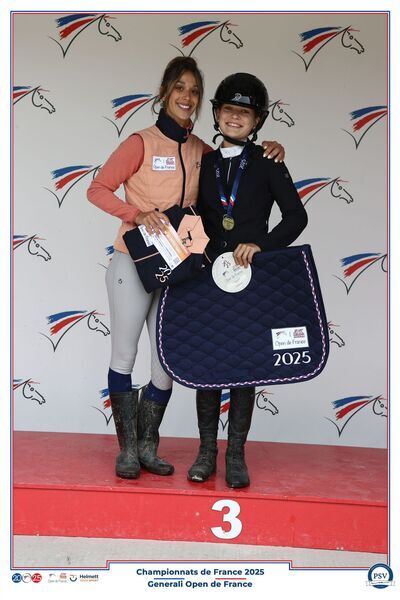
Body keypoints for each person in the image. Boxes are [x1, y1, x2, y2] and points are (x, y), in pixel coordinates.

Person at [87, 56, 285, 480]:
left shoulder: (203, 152)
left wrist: (271, 149)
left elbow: (237, 165)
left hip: (180, 268)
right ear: (164, 92)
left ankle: (148, 446)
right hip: (134, 262)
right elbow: (97, 188)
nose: (186, 96)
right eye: (179, 87)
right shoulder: (139, 142)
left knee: (167, 363)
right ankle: (127, 451)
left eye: (194, 90)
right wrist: (137, 214)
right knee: (125, 354)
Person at [187, 72, 308, 488]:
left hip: (251, 279)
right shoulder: (203, 162)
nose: (235, 117)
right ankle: (206, 452)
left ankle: (235, 454)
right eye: (228, 110)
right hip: (207, 279)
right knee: (206, 363)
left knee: (244, 365)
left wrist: (262, 246)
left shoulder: (269, 161)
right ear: (216, 114)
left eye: (245, 112)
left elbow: (296, 217)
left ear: (257, 121)